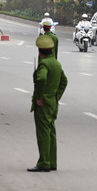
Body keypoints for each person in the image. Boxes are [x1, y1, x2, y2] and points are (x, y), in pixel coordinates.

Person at [28, 35, 68, 172]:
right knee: (51, 132)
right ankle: (52, 162)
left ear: (40, 51)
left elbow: (41, 79)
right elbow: (64, 81)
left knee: (43, 133)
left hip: (43, 103)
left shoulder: (44, 64)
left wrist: (39, 97)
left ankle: (44, 162)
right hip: (52, 102)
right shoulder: (56, 64)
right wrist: (56, 96)